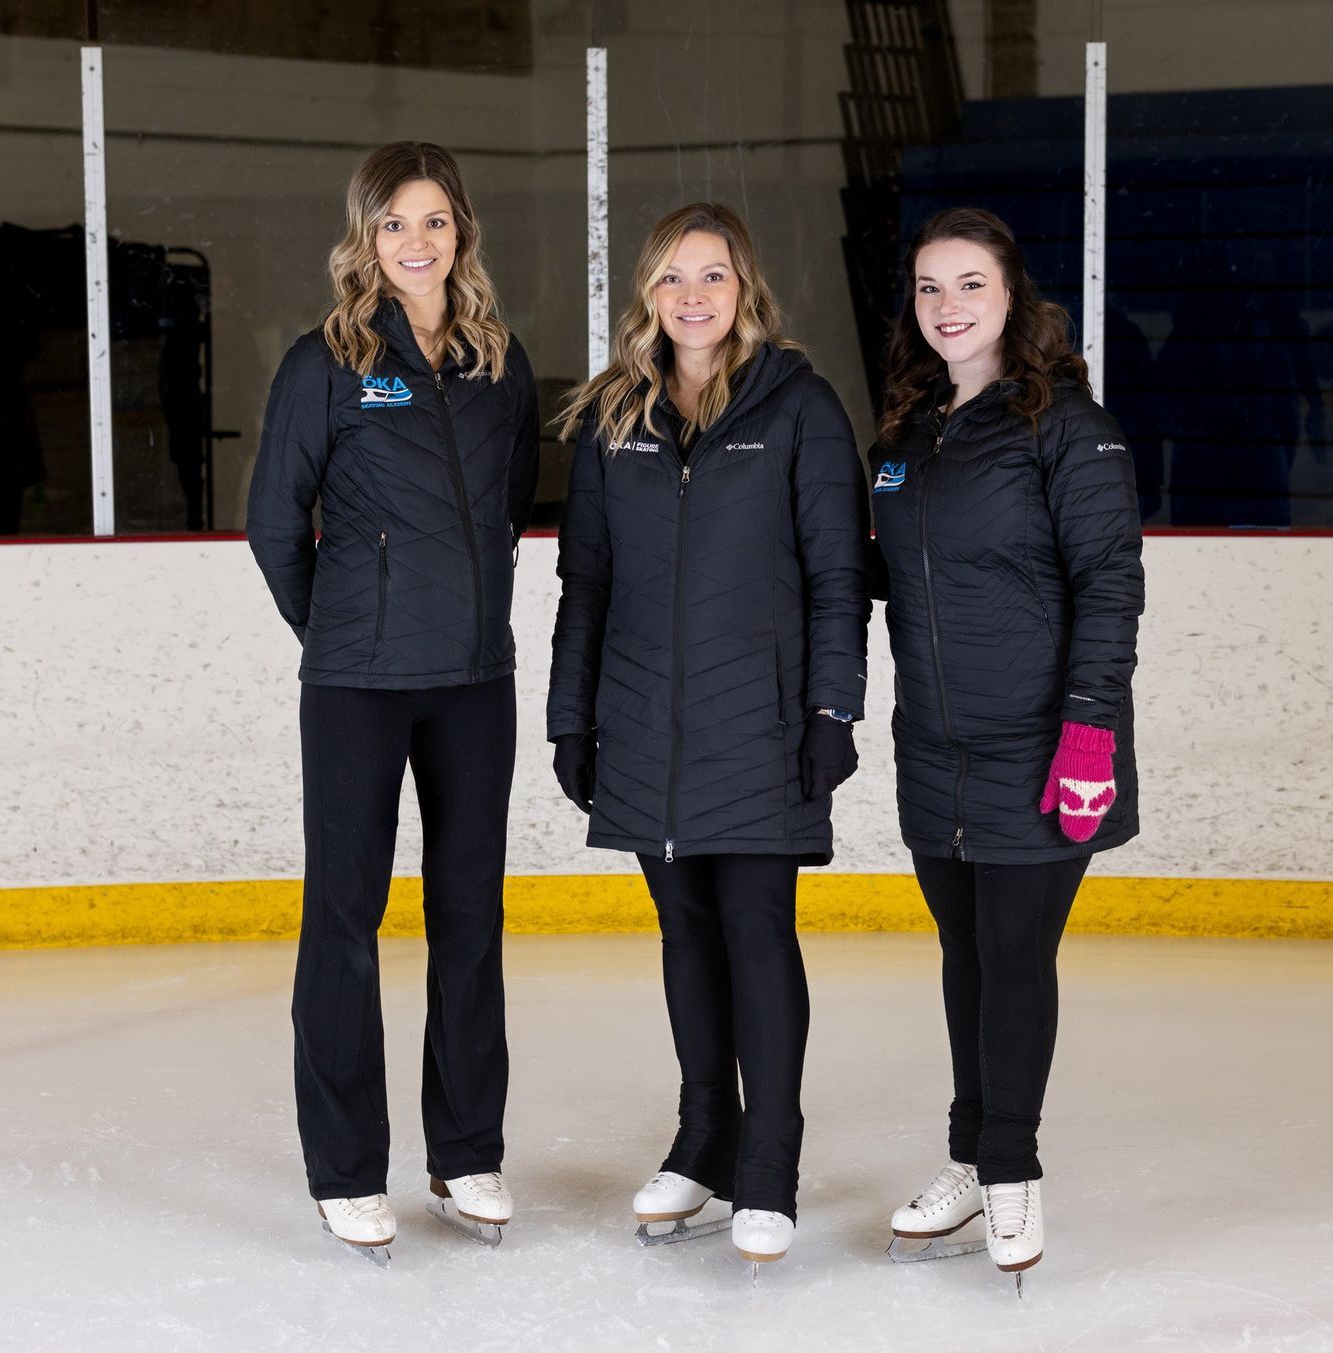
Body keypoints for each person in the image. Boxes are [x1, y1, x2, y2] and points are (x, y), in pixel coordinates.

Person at [546, 203, 870, 1270]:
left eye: (715, 276)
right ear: (649, 292)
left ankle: (767, 1159)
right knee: (684, 932)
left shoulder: (801, 408)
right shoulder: (609, 418)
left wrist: (834, 708)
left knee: (755, 929)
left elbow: (838, 576)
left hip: (764, 719)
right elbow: (584, 581)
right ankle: (705, 1138)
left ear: (747, 291)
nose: (694, 295)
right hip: (643, 720)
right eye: (675, 277)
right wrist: (571, 717)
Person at [246, 141, 538, 1258]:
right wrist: (339, 629)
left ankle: (466, 1154)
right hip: (358, 688)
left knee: (470, 921)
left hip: (474, 685)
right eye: (394, 224)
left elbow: (507, 508)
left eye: (435, 221)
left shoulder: (499, 363)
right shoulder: (322, 363)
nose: (416, 243)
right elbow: (279, 523)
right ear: (365, 238)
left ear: (461, 231)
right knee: (347, 923)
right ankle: (345, 1168)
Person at [868, 207, 1144, 1285]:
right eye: (930, 287)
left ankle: (1014, 1169)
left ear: (1013, 296)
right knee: (966, 954)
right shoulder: (903, 433)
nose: (948, 306)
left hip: (1043, 743)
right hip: (935, 745)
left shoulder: (1069, 427)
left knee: (1016, 956)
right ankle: (974, 1155)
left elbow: (1111, 584)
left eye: (970, 284)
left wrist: (1087, 727)